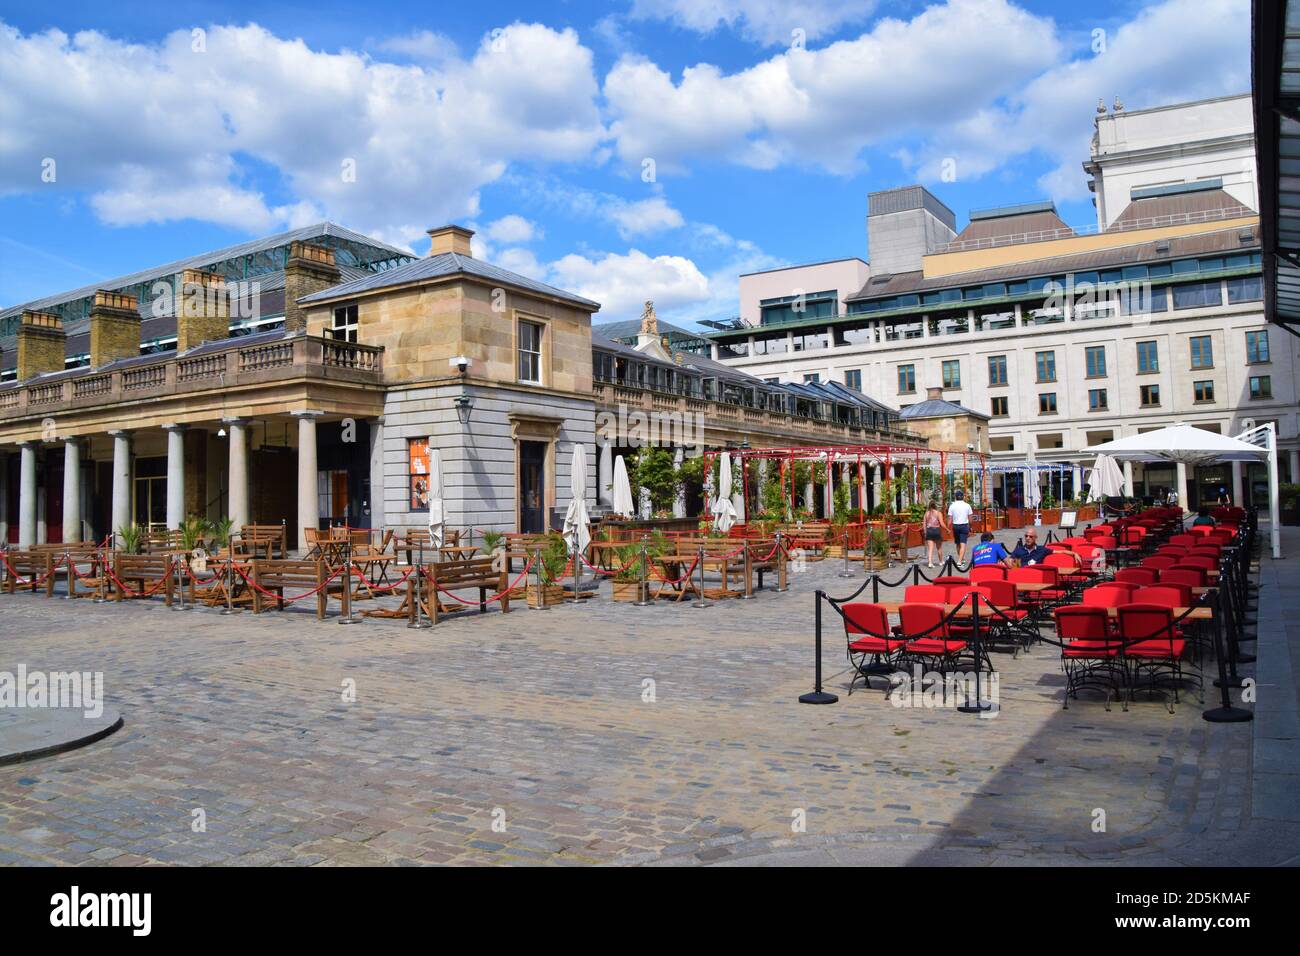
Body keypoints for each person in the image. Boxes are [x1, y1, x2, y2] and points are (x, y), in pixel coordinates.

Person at [947, 490, 974, 565]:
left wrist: (947, 528)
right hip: (964, 525)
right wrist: (971, 527)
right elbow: (970, 519)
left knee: (958, 543)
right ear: (963, 497)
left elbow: (950, 519)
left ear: (955, 497)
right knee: (963, 543)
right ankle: (959, 561)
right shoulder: (967, 505)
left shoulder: (952, 506)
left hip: (955, 526)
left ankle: (961, 558)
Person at [922, 499, 946, 569]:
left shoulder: (926, 513)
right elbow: (942, 524)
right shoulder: (938, 513)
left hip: (929, 530)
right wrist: (947, 529)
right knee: (939, 548)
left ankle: (930, 563)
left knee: (930, 548)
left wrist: (925, 532)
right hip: (936, 531)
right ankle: (941, 561)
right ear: (935, 505)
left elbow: (924, 524)